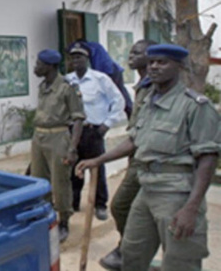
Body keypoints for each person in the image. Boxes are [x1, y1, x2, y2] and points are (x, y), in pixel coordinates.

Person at [77, 44, 220, 271]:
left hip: (176, 194)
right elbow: (134, 140)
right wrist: (98, 160)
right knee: (132, 254)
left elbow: (208, 158)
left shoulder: (195, 106)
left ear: (180, 66)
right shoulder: (148, 102)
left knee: (180, 262)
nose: (154, 66)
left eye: (162, 62)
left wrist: (191, 208)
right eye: (152, 61)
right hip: (146, 189)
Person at [99, 39, 156, 270]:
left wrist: (101, 158)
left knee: (122, 206)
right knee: (127, 207)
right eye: (130, 52)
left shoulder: (156, 86)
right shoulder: (142, 84)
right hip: (137, 156)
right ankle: (128, 249)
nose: (130, 56)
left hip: (150, 158)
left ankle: (130, 251)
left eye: (137, 52)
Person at [65, 42, 125, 220]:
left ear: (87, 59)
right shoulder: (67, 80)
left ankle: (100, 205)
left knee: (97, 168)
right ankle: (73, 203)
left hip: (93, 131)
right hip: (72, 132)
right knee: (73, 168)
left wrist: (107, 123)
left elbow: (118, 101)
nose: (76, 61)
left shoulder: (100, 79)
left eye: (80, 57)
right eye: (73, 57)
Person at [31, 49, 85, 242]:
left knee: (60, 182)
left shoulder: (67, 87)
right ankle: (46, 216)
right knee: (39, 181)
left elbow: (78, 119)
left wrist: (72, 147)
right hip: (39, 137)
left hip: (58, 137)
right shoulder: (42, 86)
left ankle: (64, 221)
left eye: (39, 64)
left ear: (50, 66)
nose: (35, 67)